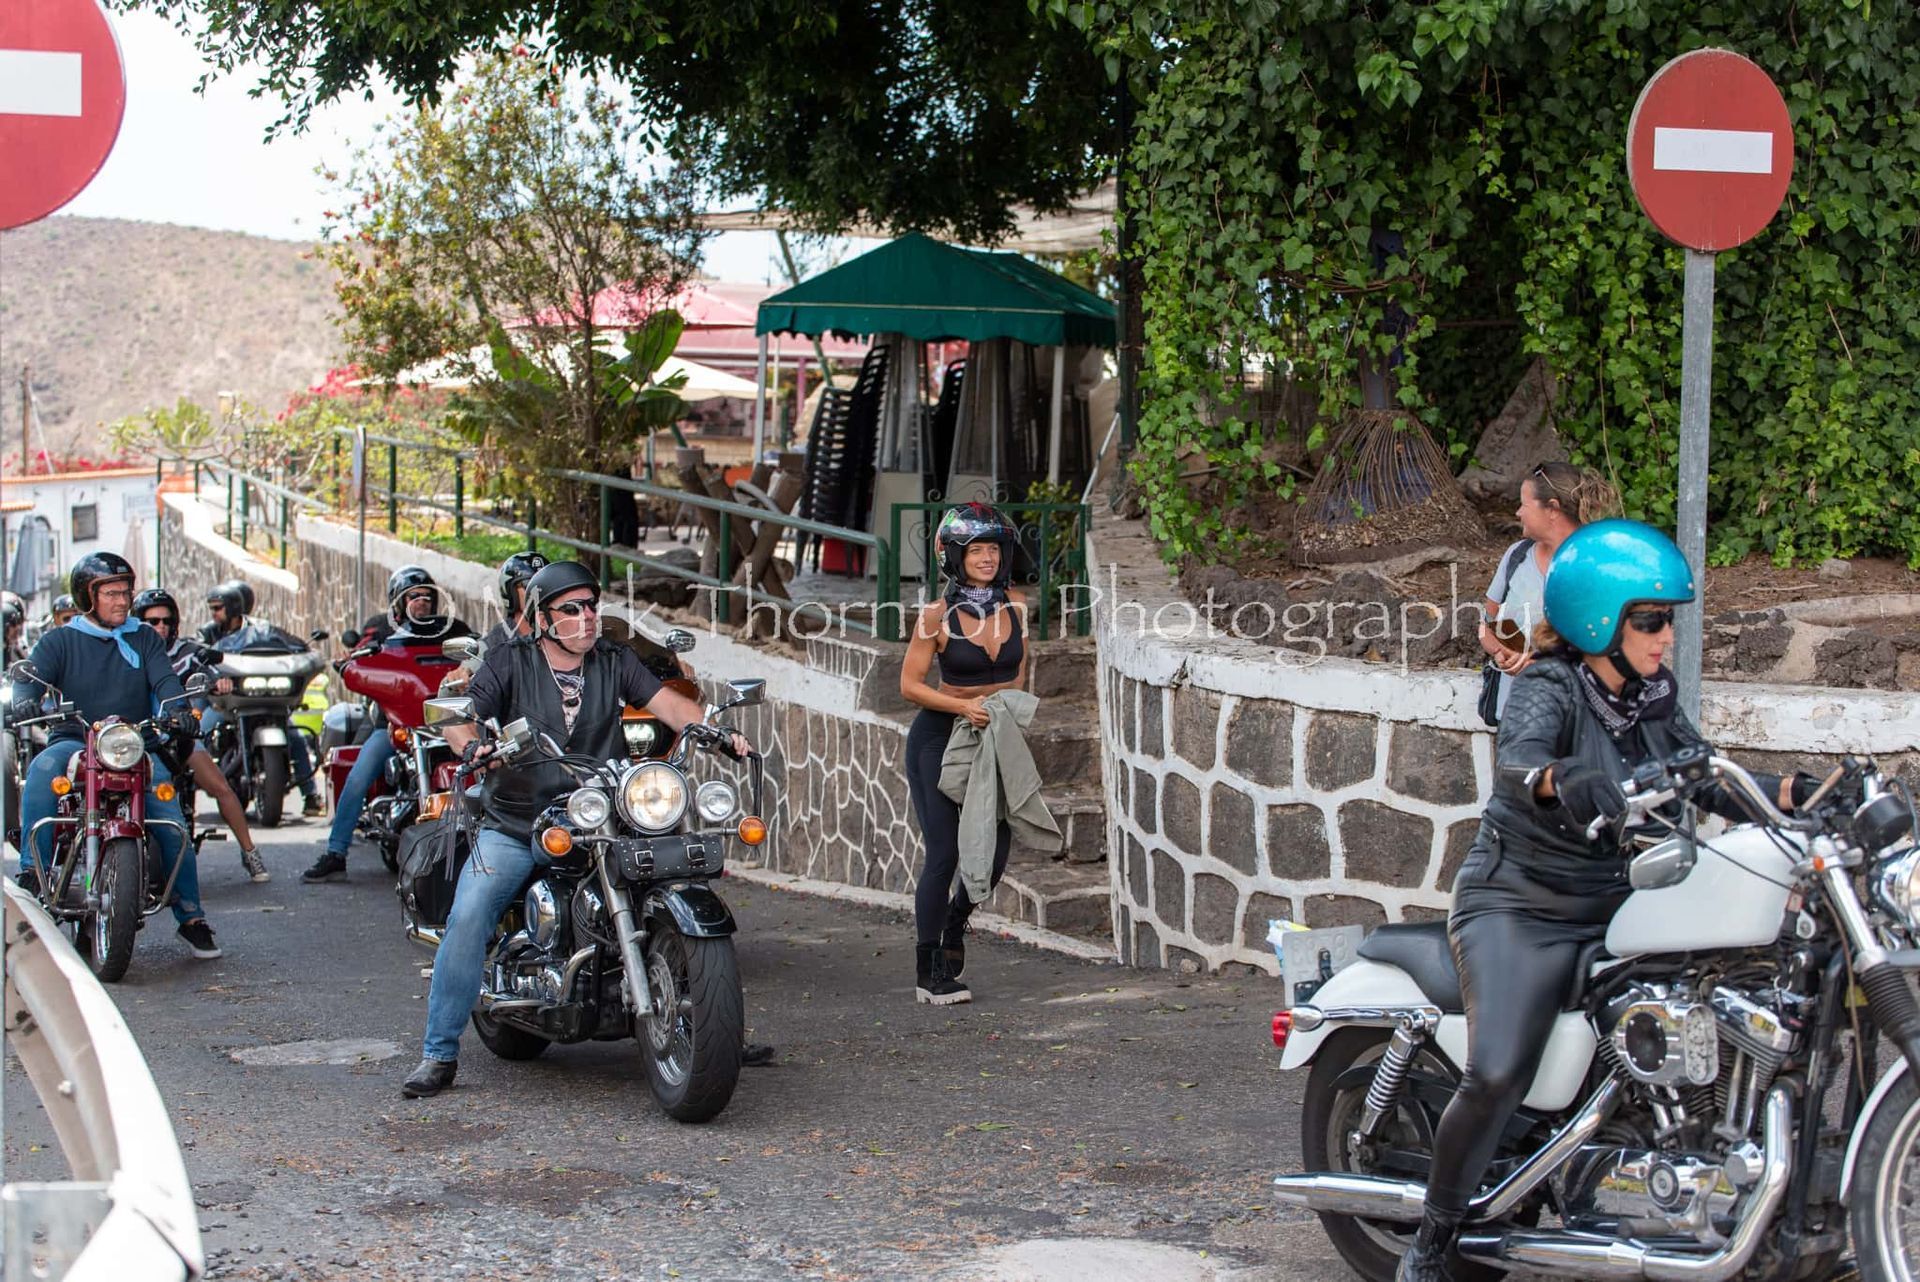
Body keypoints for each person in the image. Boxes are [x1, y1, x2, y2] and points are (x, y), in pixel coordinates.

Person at [1397, 519, 1825, 1282]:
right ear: (1600, 616)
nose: (1665, 637)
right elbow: (1520, 766)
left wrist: (1801, 791)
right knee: (1497, 1071)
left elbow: (1706, 774)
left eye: (1668, 620)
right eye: (1650, 619)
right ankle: (1434, 1239)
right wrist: (1565, 780)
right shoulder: (1550, 685)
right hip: (1519, 906)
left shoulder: (1649, 695)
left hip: (1613, 904)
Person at [399, 560, 751, 1097]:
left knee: (672, 873)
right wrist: (473, 745)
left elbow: (668, 703)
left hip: (601, 811)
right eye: (572, 610)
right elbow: (461, 714)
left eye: (591, 607)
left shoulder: (615, 660)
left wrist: (714, 730)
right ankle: (439, 1052)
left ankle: (713, 1026)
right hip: (517, 819)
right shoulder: (509, 661)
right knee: (469, 914)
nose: (587, 619)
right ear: (541, 617)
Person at [18, 554, 221, 959]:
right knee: (41, 771)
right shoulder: (60, 640)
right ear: (88, 597)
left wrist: (179, 710)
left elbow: (165, 680)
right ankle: (31, 873)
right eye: (111, 593)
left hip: (133, 742)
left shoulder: (144, 636)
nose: (122, 600)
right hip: (74, 738)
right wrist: (24, 701)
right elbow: (30, 680)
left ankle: (191, 916)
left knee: (169, 816)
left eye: (126, 592)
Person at [898, 502, 1027, 1006]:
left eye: (994, 548)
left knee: (993, 855)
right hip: (938, 740)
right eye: (977, 549)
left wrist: (1001, 716)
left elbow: (1017, 677)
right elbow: (909, 685)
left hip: (993, 736)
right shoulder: (935, 616)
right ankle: (929, 970)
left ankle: (955, 924)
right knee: (946, 852)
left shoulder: (1016, 606)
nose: (988, 558)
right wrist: (961, 705)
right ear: (955, 555)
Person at [303, 565, 474, 883]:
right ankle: (335, 853)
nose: (421, 602)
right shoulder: (380, 630)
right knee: (358, 776)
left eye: (426, 596)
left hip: (450, 720)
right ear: (397, 601)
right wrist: (348, 661)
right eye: (413, 596)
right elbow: (357, 657)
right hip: (396, 722)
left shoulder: (454, 630)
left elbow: (475, 652)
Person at [134, 589, 272, 882]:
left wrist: (218, 683)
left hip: (176, 736)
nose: (160, 627)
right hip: (134, 740)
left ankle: (250, 853)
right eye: (152, 621)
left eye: (165, 621)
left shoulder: (186, 652)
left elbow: (206, 671)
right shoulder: (127, 652)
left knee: (220, 787)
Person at [1478, 462, 1620, 720]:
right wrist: (1502, 653)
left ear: (1552, 509)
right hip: (1514, 718)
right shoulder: (1516, 556)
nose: (1518, 512)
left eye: (1524, 504)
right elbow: (1487, 623)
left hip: (1574, 722)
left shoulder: (1598, 567)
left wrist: (1541, 663)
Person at [203, 581, 326, 818]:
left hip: (264, 696)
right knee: (200, 732)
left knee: (297, 738)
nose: (214, 614)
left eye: (218, 608)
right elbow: (196, 652)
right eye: (213, 609)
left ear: (232, 607)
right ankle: (186, 793)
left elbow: (292, 644)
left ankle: (311, 796)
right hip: (226, 700)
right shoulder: (208, 632)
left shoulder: (262, 630)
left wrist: (304, 652)